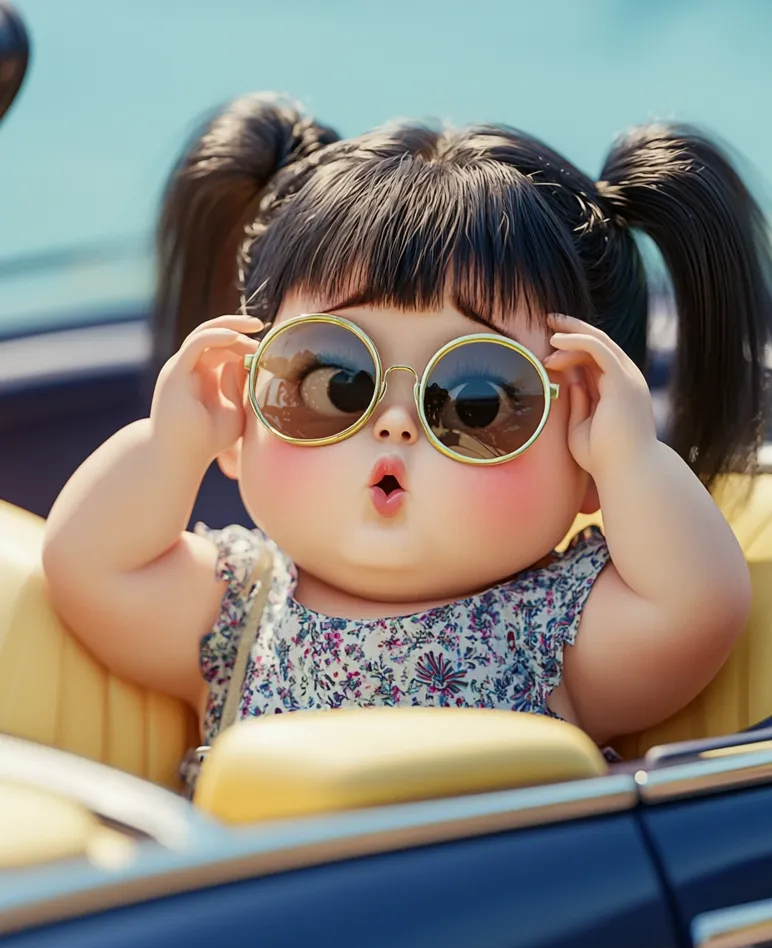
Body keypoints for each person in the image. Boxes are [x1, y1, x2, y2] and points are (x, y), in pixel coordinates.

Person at [41, 93, 770, 786]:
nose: (395, 423)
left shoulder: (559, 628)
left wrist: (632, 462)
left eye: (476, 400)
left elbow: (698, 607)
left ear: (580, 441)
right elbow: (88, 565)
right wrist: (171, 446)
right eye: (334, 380)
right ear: (244, 411)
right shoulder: (237, 608)